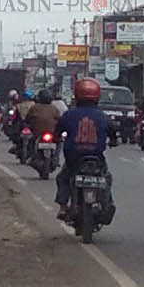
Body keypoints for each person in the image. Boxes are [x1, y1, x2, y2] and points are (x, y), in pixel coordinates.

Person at [55, 75, 117, 217]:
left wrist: (57, 139)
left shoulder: (69, 115)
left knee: (63, 178)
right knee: (106, 178)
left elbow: (57, 132)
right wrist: (113, 141)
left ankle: (63, 207)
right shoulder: (102, 116)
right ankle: (107, 204)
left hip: (73, 159)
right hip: (96, 158)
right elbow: (113, 131)